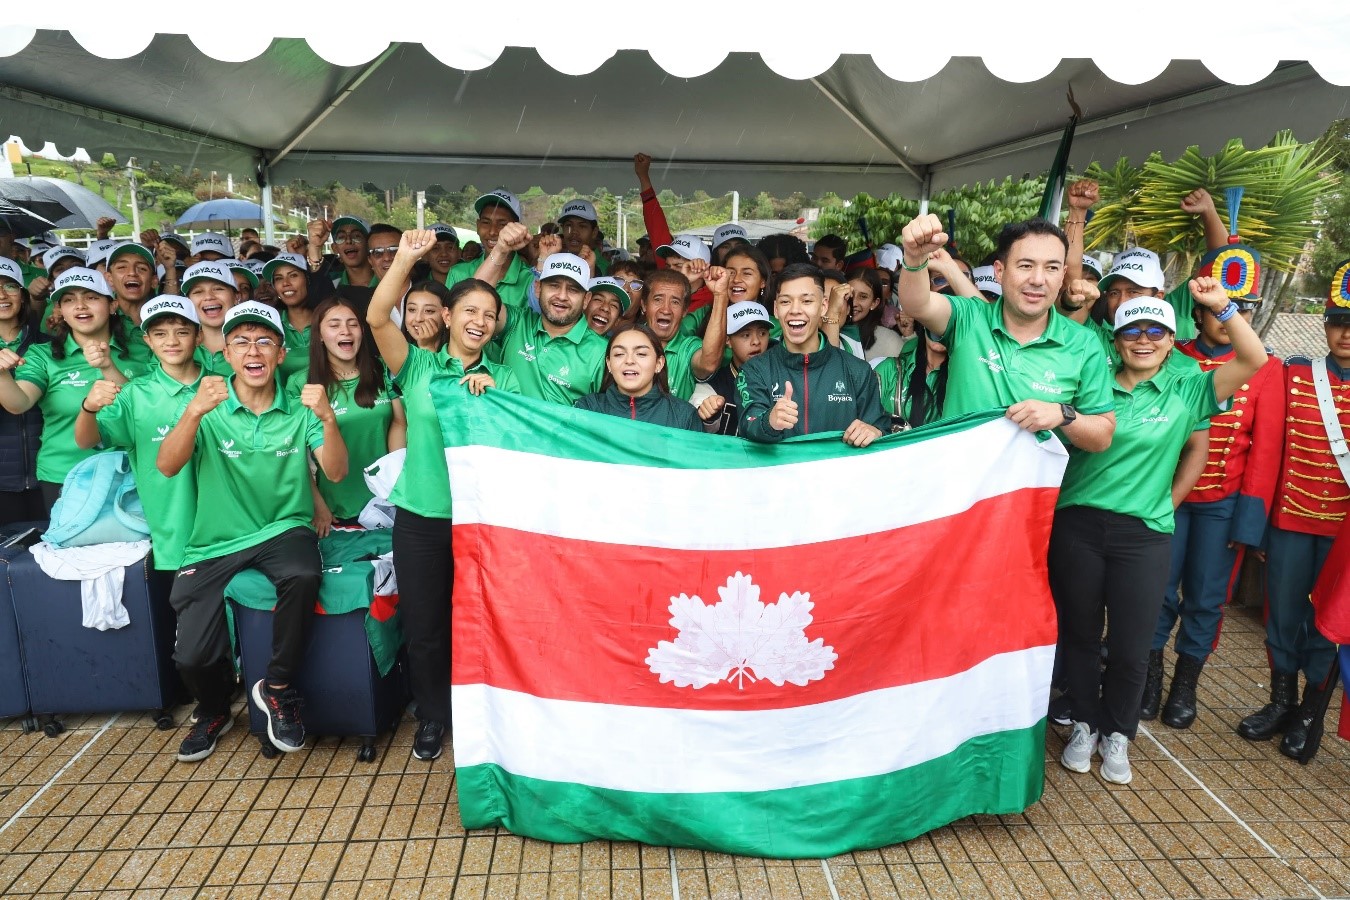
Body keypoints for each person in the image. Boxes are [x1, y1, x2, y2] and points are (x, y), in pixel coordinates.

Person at [1051, 282, 1266, 784]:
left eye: (1155, 331)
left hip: (1144, 535)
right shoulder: (1093, 380)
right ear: (1117, 339)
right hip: (1078, 524)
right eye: (1132, 330)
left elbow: (1253, 357)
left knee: (1132, 644)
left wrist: (1222, 306)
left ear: (1172, 340)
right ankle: (1084, 723)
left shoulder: (1189, 388)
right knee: (1080, 636)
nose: (1143, 340)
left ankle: (1118, 732)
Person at [156, 300, 347, 762]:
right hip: (215, 540)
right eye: (240, 341)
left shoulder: (302, 408)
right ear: (224, 353)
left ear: (281, 354)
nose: (253, 350)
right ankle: (214, 710)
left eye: (264, 341)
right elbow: (167, 465)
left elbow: (337, 474)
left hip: (284, 527)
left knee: (303, 574)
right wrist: (194, 413)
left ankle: (276, 686)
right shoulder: (208, 406)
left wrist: (326, 418)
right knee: (191, 659)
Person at [368, 229, 520, 762]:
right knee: (427, 626)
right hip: (423, 517)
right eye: (468, 311)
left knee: (486, 620)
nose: (478, 321)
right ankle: (434, 716)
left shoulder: (505, 379)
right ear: (449, 317)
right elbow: (376, 316)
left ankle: (488, 711)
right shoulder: (418, 367)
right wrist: (406, 258)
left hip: (484, 521)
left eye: (488, 314)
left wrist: (495, 402)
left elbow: (524, 441)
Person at [1145, 266, 1282, 730]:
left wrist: (1249, 523)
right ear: (1199, 313)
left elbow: (1264, 451)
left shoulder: (1268, 369)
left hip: (1222, 505)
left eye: (1240, 309)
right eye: (1220, 309)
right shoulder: (1173, 355)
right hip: (1168, 497)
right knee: (1157, 591)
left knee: (1206, 598)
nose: (1228, 318)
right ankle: (1149, 676)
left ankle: (1185, 686)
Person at [1236, 274, 1350, 758]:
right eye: (1338, 323)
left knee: (1328, 624)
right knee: (1281, 617)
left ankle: (1309, 714)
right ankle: (1280, 702)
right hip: (1291, 520)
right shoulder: (1294, 373)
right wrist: (1260, 521)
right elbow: (1270, 449)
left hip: (1344, 534)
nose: (1346, 333)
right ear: (1325, 326)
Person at [895, 214, 1116, 449]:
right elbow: (917, 304)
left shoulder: (1083, 343)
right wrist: (915, 256)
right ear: (999, 271)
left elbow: (1102, 438)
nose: (1038, 279)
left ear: (1062, 275)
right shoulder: (970, 317)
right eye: (1026, 266)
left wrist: (1063, 414)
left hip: (1027, 486)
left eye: (1051, 268)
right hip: (959, 481)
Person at [74, 297, 212, 573]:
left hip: (230, 531)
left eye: (182, 332)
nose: (171, 341)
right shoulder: (135, 394)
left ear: (199, 337)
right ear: (147, 340)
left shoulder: (224, 386)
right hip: (174, 535)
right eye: (160, 334)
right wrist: (88, 408)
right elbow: (87, 441)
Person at [0, 268, 149, 510]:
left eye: (91, 297)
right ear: (60, 311)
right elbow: (19, 403)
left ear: (112, 305)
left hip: (133, 472)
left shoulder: (143, 348)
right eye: (69, 300)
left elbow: (146, 409)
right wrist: (2, 376)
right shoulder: (43, 354)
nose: (80, 305)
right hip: (65, 476)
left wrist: (109, 367)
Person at [290, 295, 406, 529]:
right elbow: (296, 454)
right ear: (319, 335)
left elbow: (398, 422)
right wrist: (318, 503)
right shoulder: (302, 384)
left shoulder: (381, 368)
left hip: (388, 502)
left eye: (353, 324)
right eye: (334, 325)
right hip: (337, 509)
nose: (346, 331)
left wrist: (397, 483)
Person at [738, 263, 887, 445]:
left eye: (807, 301)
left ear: (824, 306)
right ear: (776, 309)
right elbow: (748, 425)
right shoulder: (755, 370)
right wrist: (769, 421)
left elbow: (882, 429)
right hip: (779, 473)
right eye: (786, 301)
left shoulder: (858, 371)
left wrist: (875, 431)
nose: (795, 310)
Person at [489, 231, 606, 405]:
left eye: (573, 290)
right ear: (538, 289)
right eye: (554, 285)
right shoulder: (518, 322)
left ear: (586, 300)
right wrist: (499, 250)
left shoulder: (602, 352)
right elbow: (474, 303)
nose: (562, 296)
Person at [575, 324, 706, 431]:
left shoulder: (684, 416)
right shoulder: (588, 408)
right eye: (619, 354)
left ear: (658, 364)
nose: (629, 360)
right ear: (609, 364)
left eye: (641, 354)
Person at [0, 258, 49, 524]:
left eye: (9, 286)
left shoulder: (51, 346)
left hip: (50, 478)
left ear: (22, 294)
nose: (1, 295)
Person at [449, 190, 536, 310]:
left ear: (518, 228)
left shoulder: (530, 279)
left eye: (502, 224)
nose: (492, 231)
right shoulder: (458, 273)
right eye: (486, 222)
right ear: (477, 225)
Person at [696, 301, 771, 437]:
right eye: (746, 335)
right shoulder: (712, 387)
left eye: (762, 333)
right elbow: (693, 435)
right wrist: (708, 417)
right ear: (727, 340)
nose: (756, 341)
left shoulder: (782, 375)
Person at [263, 253, 321, 381]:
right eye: (278, 278)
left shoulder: (327, 321)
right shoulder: (269, 326)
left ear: (308, 280)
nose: (285, 283)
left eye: (293, 275)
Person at [876, 328, 949, 430]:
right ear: (923, 323)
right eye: (935, 320)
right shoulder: (890, 370)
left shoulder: (964, 378)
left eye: (948, 322)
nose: (940, 329)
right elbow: (865, 421)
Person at [305, 216, 377, 288]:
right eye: (341, 237)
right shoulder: (331, 282)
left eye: (356, 236)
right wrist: (315, 246)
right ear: (335, 248)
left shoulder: (385, 279)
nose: (348, 240)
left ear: (369, 244)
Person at [558, 200, 607, 274]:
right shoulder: (555, 263)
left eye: (582, 226)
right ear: (562, 229)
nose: (574, 231)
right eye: (569, 225)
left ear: (594, 232)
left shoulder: (607, 270)